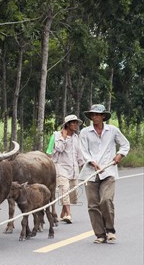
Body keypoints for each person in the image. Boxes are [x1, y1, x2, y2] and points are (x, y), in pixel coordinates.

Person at [79, 104, 130, 244]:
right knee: (93, 205)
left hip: (108, 171)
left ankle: (110, 230)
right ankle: (100, 234)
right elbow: (83, 151)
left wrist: (120, 155)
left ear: (103, 116)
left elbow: (125, 145)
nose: (94, 117)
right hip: (90, 172)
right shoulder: (85, 132)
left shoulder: (112, 130)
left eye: (97, 115)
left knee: (106, 200)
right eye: (92, 115)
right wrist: (92, 162)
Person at [51, 114, 85, 223]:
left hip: (74, 169)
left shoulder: (76, 137)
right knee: (64, 190)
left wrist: (83, 165)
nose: (75, 125)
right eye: (73, 123)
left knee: (72, 193)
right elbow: (59, 148)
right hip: (61, 168)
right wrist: (64, 138)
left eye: (76, 123)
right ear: (67, 124)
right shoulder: (57, 135)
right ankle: (69, 214)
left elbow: (79, 153)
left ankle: (63, 212)